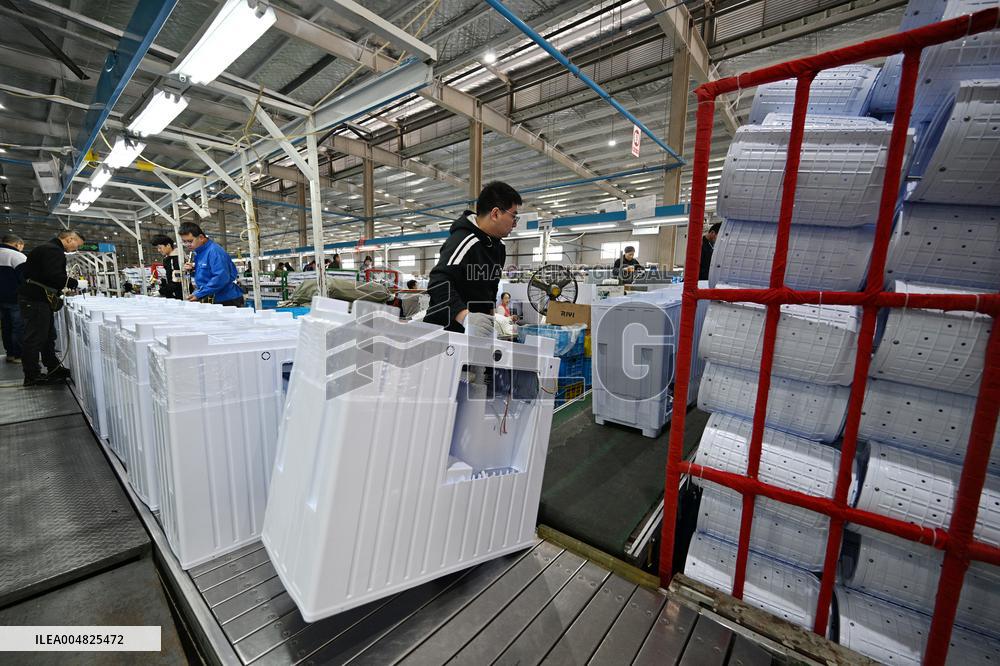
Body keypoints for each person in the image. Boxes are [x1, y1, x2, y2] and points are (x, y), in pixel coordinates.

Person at [425, 181, 521, 334]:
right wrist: (465, 317)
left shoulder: (499, 247)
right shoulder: (463, 240)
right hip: (446, 331)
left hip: (476, 332)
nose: (514, 224)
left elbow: (491, 289)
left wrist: (491, 318)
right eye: (513, 217)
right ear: (495, 214)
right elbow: (438, 283)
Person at [18, 230, 84, 386]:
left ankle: (53, 367)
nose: (76, 249)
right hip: (35, 299)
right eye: (77, 245)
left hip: (36, 298)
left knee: (47, 336)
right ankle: (32, 375)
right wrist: (75, 283)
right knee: (35, 338)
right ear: (70, 239)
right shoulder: (53, 251)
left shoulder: (47, 249)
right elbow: (53, 276)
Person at [179, 222, 244, 307]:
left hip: (227, 299)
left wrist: (199, 294)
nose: (187, 245)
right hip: (213, 297)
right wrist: (193, 271)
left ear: (201, 237)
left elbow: (221, 277)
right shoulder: (200, 252)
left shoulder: (214, 251)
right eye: (184, 242)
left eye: (190, 241)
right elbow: (207, 274)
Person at [0, 234, 26, 363]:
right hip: (15, 298)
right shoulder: (17, 256)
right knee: (18, 327)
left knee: (6, 326)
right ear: (18, 244)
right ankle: (18, 355)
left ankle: (10, 353)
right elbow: (26, 277)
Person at [151, 234, 182, 299]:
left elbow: (177, 282)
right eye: (157, 248)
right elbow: (172, 279)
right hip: (174, 296)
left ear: (168, 245)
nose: (159, 250)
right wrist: (162, 282)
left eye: (160, 248)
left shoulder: (176, 259)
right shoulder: (168, 259)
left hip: (180, 297)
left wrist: (161, 291)